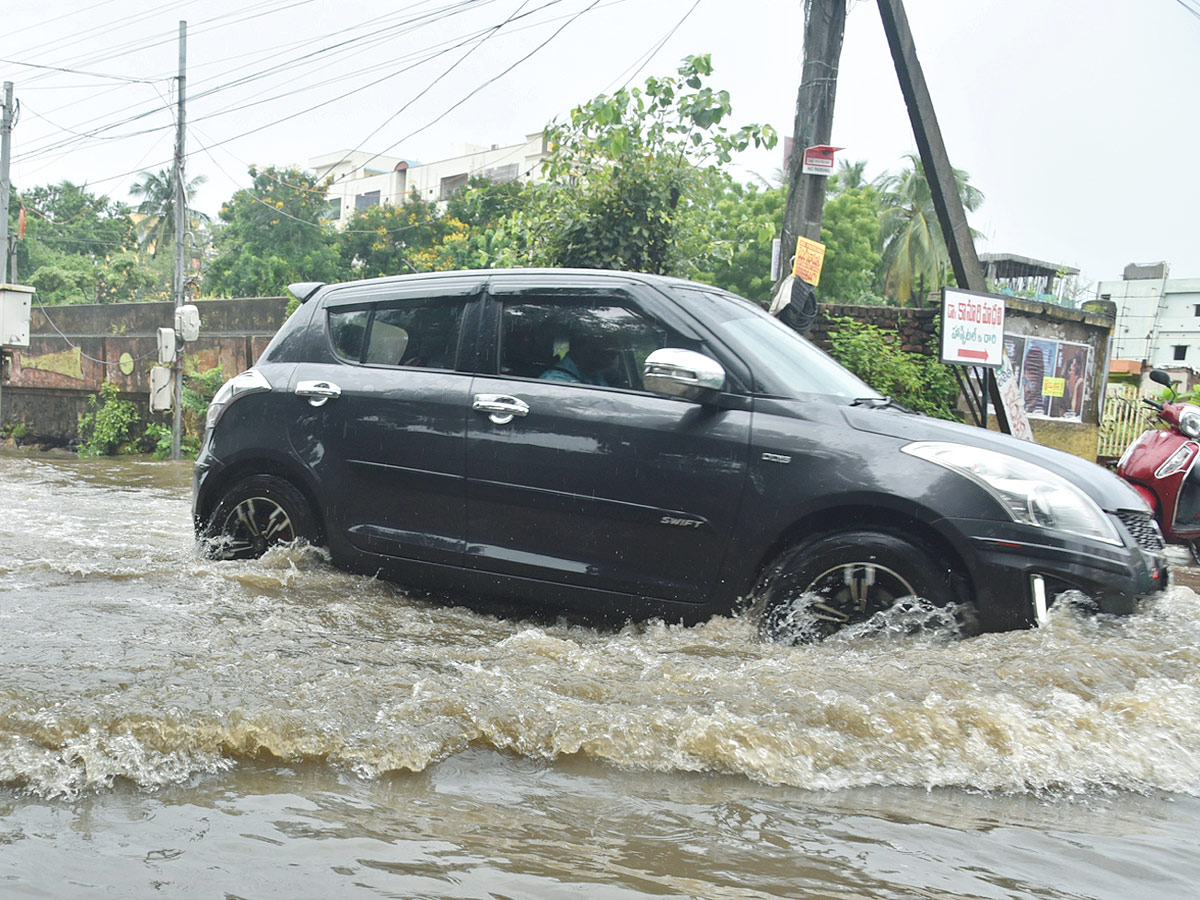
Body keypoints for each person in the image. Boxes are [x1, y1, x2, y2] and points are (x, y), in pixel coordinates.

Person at [540, 330, 620, 386]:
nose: (613, 356)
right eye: (606, 350)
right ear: (581, 348)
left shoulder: (594, 374)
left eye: (615, 352)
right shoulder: (555, 381)